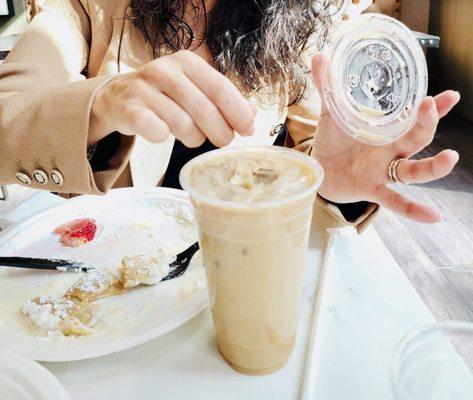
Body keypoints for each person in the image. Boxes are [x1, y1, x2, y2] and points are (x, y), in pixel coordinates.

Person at [0, 0, 460, 232]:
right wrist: (103, 102)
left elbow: (311, 157)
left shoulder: (302, 23)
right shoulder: (88, 6)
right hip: (96, 274)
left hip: (229, 274)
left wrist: (329, 182)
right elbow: (7, 117)